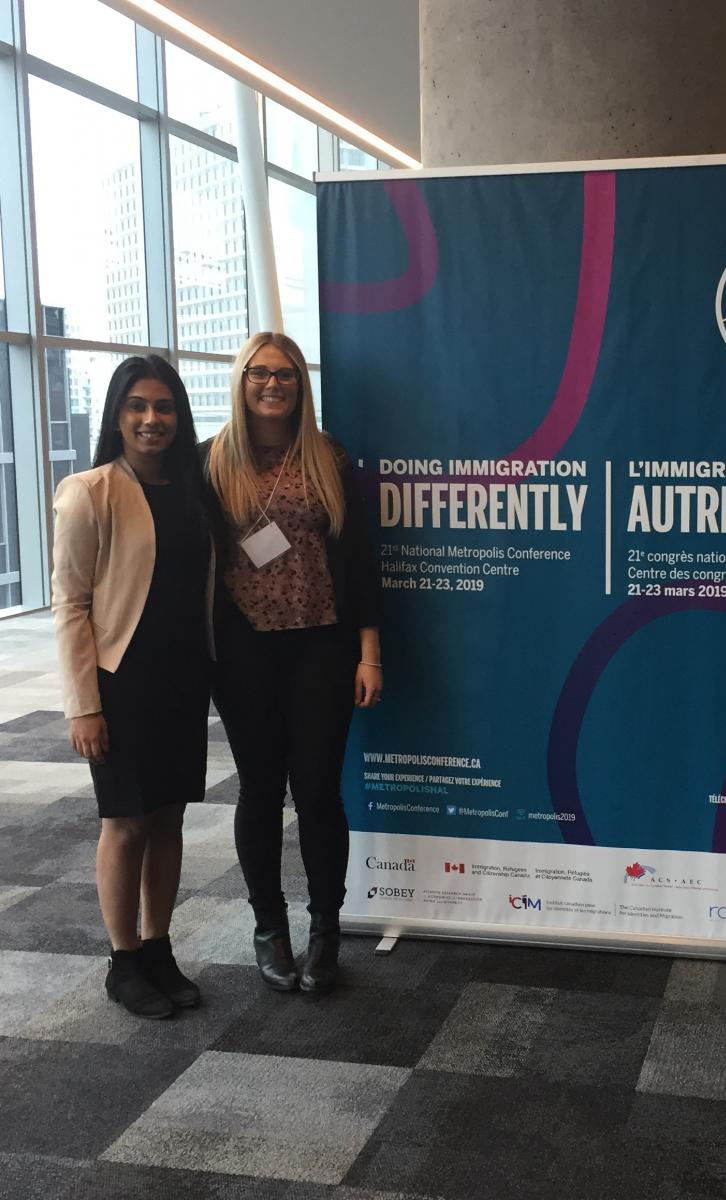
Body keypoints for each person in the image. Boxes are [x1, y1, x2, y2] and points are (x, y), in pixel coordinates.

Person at [204, 332, 381, 996]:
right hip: (243, 649)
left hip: (323, 647)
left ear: (300, 385)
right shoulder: (210, 461)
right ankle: (268, 929)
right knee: (258, 789)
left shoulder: (327, 455)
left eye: (285, 374)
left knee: (317, 791)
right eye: (259, 373)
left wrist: (371, 653)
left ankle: (324, 932)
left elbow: (360, 560)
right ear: (240, 379)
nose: (272, 384)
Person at [52, 356, 213, 1019]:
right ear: (118, 416)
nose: (152, 419)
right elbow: (70, 606)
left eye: (165, 407)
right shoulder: (88, 491)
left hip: (183, 678)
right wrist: (83, 704)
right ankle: (122, 960)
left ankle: (157, 946)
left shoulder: (195, 487)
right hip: (121, 683)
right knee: (124, 823)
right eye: (137, 407)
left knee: (169, 815)